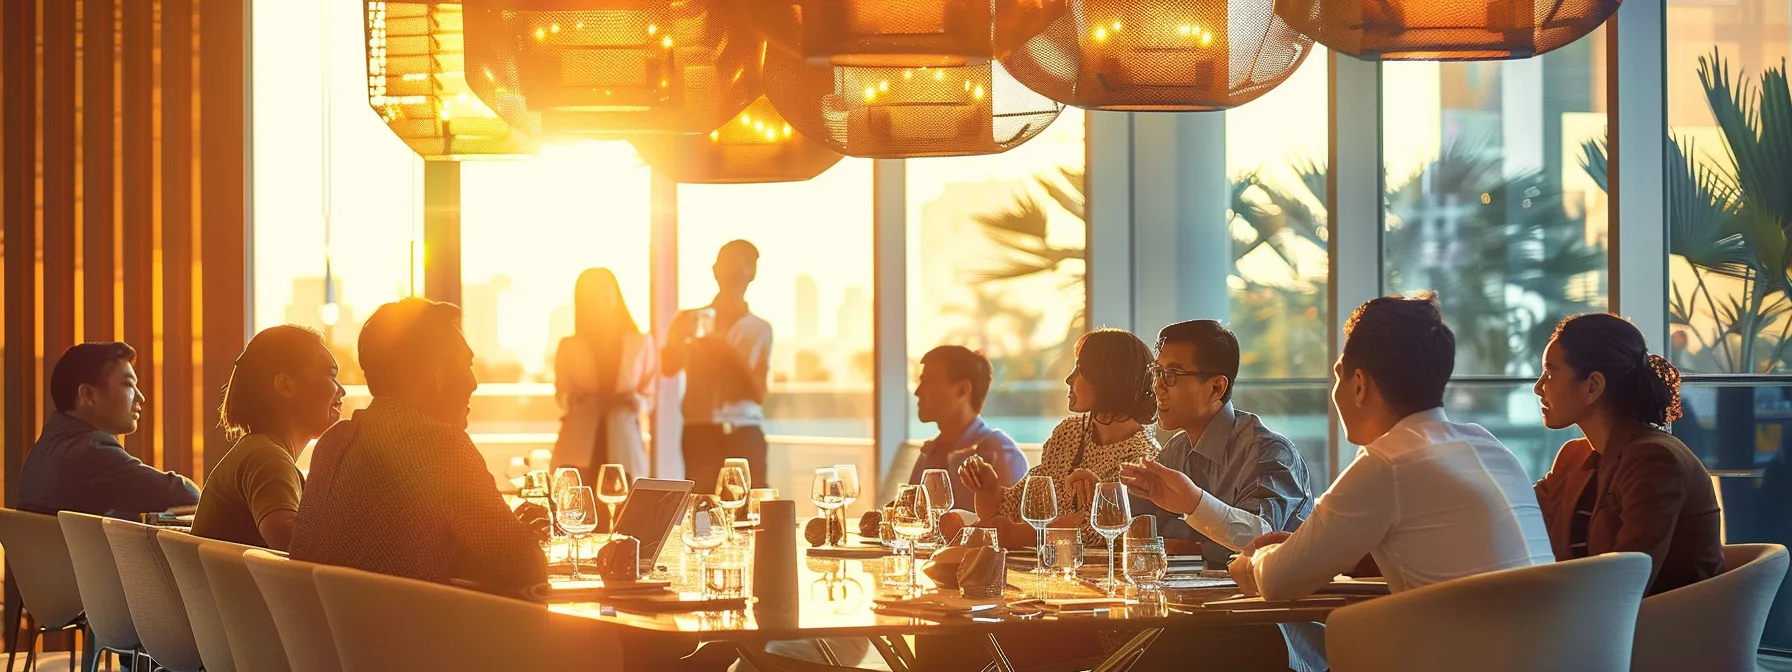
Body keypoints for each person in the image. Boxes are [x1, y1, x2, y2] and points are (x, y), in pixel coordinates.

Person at [1228, 295, 1554, 672]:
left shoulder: (1387, 462)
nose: (1334, 390)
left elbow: (1278, 582)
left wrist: (1254, 561)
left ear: (1360, 384)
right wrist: (1306, 547)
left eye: (1338, 375)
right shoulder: (1487, 446)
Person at [290, 298, 550, 593]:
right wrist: (520, 537)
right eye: (466, 365)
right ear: (437, 375)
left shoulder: (333, 444)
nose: (474, 383)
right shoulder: (442, 447)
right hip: (410, 635)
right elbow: (526, 567)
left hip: (332, 635)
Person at [1532, 313, 1724, 595]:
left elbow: (1628, 582)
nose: (1538, 387)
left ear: (1593, 386)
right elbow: (1521, 520)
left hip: (1662, 629)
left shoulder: (1656, 460)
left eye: (1550, 373)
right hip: (1591, 617)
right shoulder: (1573, 457)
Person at [1123, 319, 1315, 562]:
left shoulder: (1269, 452)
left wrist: (1195, 506)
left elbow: (1262, 541)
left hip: (1269, 598)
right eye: (1157, 372)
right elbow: (1141, 529)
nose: (1158, 387)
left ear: (1216, 388)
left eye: (1171, 375)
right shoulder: (1176, 450)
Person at [959, 328, 1161, 549]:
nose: (1068, 379)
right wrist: (989, 490)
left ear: (1109, 379)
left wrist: (1020, 534)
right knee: (952, 522)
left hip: (1088, 577)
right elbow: (1013, 512)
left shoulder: (1142, 459)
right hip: (1042, 568)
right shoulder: (1068, 434)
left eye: (1080, 370)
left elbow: (1104, 535)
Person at [191, 326, 343, 550]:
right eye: (330, 375)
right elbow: (290, 542)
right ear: (285, 386)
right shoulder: (267, 458)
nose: (342, 391)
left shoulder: (257, 450)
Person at [20, 342, 198, 518]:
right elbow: (186, 495)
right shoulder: (91, 451)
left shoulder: (43, 450)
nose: (141, 397)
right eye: (128, 385)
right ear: (88, 394)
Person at [662, 240, 773, 492]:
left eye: (744, 265)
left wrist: (725, 352)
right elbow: (668, 368)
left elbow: (759, 393)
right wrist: (678, 338)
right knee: (701, 511)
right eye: (730, 264)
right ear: (715, 270)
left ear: (753, 274)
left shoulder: (760, 329)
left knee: (751, 512)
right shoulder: (688, 320)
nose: (737, 271)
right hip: (700, 432)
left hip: (745, 433)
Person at [554, 268, 656, 480]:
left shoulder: (640, 343)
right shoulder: (569, 345)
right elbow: (561, 394)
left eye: (603, 290)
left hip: (624, 438)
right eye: (590, 293)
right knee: (577, 502)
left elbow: (650, 394)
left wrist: (633, 400)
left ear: (616, 295)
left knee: (624, 503)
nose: (597, 297)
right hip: (579, 441)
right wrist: (574, 398)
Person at [910, 345, 1027, 507]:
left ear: (962, 390)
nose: (917, 391)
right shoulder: (930, 452)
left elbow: (1014, 527)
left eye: (928, 381)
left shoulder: (1001, 454)